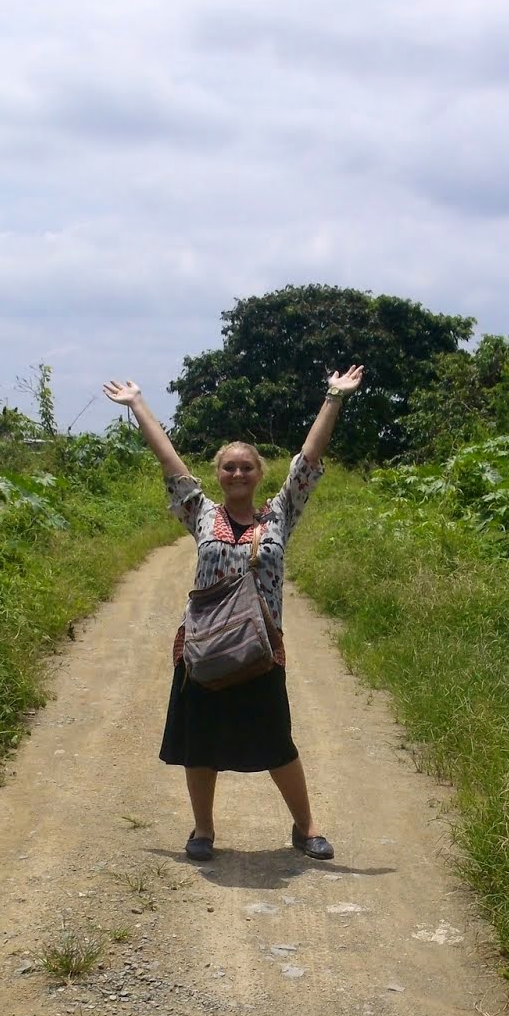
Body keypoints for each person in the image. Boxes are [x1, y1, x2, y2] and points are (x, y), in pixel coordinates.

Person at [102, 366, 365, 862]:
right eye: (229, 467)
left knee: (276, 740)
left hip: (261, 647)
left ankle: (306, 828)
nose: (238, 474)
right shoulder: (200, 514)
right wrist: (138, 405)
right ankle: (202, 832)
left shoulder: (278, 515)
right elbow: (170, 463)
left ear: (259, 474)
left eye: (247, 467)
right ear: (218, 474)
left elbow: (308, 461)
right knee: (199, 742)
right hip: (203, 644)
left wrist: (333, 396)